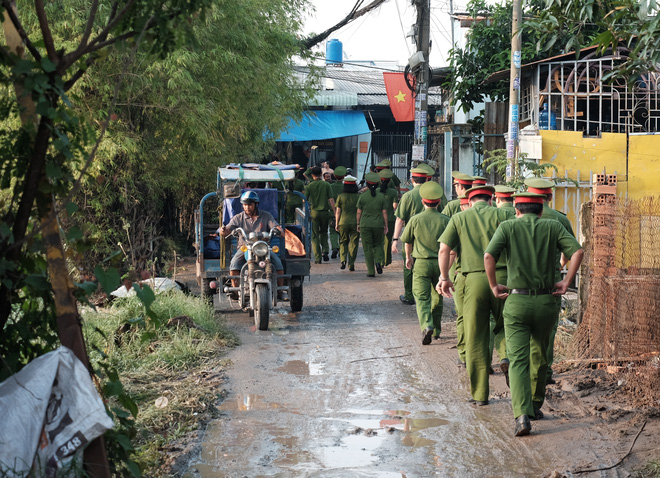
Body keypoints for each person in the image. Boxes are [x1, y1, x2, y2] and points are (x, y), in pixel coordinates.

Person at [484, 192, 583, 436]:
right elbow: (577, 252)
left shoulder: (507, 227)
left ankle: (521, 415)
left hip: (517, 301)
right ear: (540, 210)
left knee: (518, 360)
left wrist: (494, 285)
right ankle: (535, 405)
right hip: (547, 300)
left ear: (517, 210)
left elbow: (489, 255)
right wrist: (566, 282)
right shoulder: (552, 225)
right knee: (541, 353)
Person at [437, 185, 514, 406]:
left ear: (470, 202)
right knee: (506, 325)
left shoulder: (460, 218)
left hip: (473, 281)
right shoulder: (503, 214)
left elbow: (444, 250)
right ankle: (507, 356)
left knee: (476, 335)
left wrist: (444, 277)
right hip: (504, 279)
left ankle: (480, 395)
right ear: (491, 200)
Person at [524, 177, 577, 386]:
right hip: (550, 284)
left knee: (520, 329)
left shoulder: (516, 216)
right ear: (550, 196)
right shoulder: (559, 219)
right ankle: (543, 375)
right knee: (546, 332)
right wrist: (560, 266)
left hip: (519, 284)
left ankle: (522, 371)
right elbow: (572, 251)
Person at [400, 181, 450, 344]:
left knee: (421, 297)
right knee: (438, 295)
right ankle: (436, 330)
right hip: (441, 263)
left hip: (421, 262)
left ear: (422, 201)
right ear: (439, 202)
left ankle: (426, 325)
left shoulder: (415, 219)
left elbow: (407, 241)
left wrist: (408, 257)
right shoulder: (446, 220)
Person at [218, 191, 285, 299]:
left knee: (278, 264)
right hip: (245, 248)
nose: (247, 207)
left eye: (250, 204)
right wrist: (223, 230)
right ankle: (235, 291)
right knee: (234, 264)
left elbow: (275, 226)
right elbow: (228, 229)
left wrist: (279, 231)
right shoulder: (238, 218)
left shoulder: (266, 215)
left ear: (256, 204)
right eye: (245, 205)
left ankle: (281, 291)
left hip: (263, 247)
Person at [391, 166, 432, 305]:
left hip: (412, 238)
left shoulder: (408, 196)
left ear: (412, 180)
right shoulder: (435, 193)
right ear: (426, 179)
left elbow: (400, 219)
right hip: (432, 237)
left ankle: (410, 295)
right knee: (430, 264)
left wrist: (395, 239)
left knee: (409, 265)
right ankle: (429, 295)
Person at [357, 172, 387, 277]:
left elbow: (359, 212)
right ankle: (378, 261)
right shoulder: (381, 197)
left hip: (365, 224)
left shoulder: (363, 196)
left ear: (367, 184)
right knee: (378, 244)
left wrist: (358, 223)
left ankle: (371, 271)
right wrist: (386, 225)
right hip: (378, 224)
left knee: (367, 247)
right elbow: (384, 212)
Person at [304, 166, 336, 264]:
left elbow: (304, 200)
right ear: (321, 174)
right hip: (325, 212)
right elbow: (331, 199)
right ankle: (325, 251)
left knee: (314, 235)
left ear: (312, 175)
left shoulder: (309, 186)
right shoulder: (326, 184)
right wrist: (335, 213)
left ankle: (317, 258)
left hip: (314, 213)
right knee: (324, 232)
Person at [334, 174, 360, 271]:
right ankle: (351, 264)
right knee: (354, 243)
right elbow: (359, 211)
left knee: (343, 242)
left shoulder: (341, 196)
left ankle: (343, 259)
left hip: (343, 222)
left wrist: (337, 223)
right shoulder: (358, 197)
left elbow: (338, 211)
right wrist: (358, 223)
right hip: (355, 223)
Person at [378, 168, 399, 267]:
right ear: (390, 180)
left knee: (379, 241)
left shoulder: (376, 191)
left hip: (378, 219)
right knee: (387, 240)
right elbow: (395, 206)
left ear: (380, 180)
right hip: (390, 219)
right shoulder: (393, 192)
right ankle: (386, 260)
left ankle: (379, 259)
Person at [328, 166, 347, 259]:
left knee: (333, 231)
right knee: (343, 233)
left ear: (334, 176)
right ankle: (342, 251)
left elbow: (329, 199)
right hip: (345, 213)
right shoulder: (346, 187)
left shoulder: (330, 186)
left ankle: (335, 247)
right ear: (344, 176)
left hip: (332, 212)